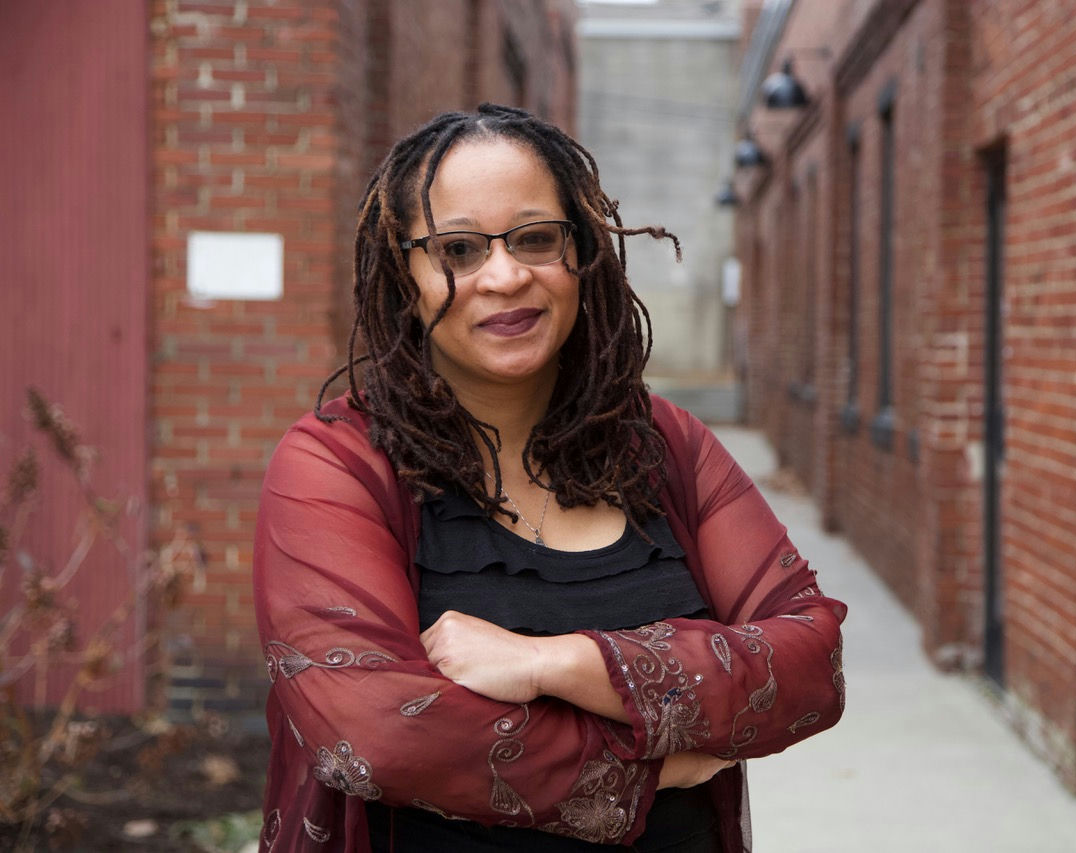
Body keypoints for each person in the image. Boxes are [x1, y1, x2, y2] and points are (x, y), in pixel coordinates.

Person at [252, 103, 846, 852]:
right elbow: (377, 731)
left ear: (582, 253)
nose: (505, 275)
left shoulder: (665, 444)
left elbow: (808, 661)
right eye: (458, 250)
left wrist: (557, 662)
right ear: (404, 271)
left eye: (537, 238)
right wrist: (660, 765)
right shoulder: (336, 464)